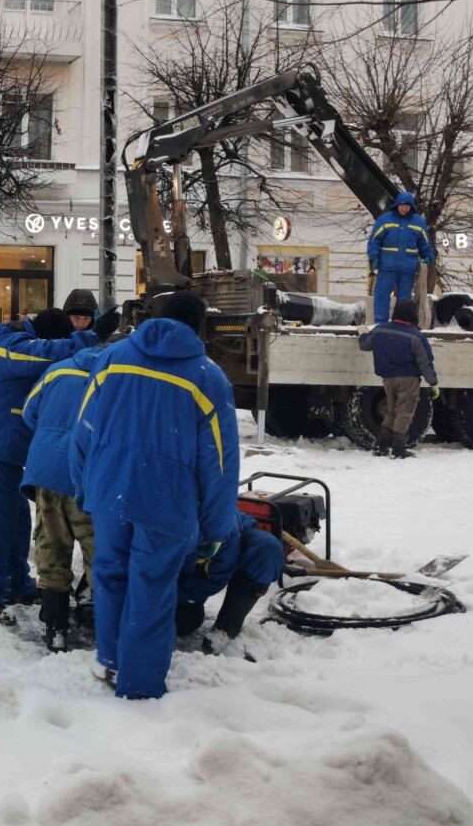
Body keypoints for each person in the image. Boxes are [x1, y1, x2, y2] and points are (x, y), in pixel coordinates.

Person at [71, 291, 239, 700]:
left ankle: (110, 661)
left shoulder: (113, 358)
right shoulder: (207, 377)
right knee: (151, 584)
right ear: (199, 327)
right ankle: (140, 687)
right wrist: (216, 527)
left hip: (110, 490)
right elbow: (219, 463)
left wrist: (83, 485)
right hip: (167, 500)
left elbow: (84, 429)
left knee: (110, 574)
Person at [0, 307, 94, 623]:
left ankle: (16, 583)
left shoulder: (22, 343)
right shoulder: (13, 346)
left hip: (8, 451)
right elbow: (45, 354)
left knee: (19, 523)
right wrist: (88, 338)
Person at [20, 338, 104, 651]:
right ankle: (101, 620)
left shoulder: (57, 370)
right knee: (99, 550)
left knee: (51, 546)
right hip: (87, 475)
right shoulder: (112, 378)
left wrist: (49, 437)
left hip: (45, 469)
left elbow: (29, 412)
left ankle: (54, 625)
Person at [175, 510, 284, 654]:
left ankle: (225, 629)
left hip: (223, 532)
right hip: (178, 534)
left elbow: (215, 577)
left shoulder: (220, 534)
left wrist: (184, 599)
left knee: (267, 550)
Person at [358, 297, 438, 459]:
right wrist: (433, 383)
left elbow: (365, 345)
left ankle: (381, 445)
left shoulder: (380, 330)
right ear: (412, 315)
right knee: (404, 413)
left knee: (392, 411)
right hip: (408, 379)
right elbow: (425, 362)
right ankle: (398, 448)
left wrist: (362, 333)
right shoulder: (416, 336)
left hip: (388, 379)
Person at [368, 191, 434, 322]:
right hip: (387, 267)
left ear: (411, 207)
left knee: (404, 300)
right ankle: (380, 324)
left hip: (407, 269)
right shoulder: (385, 220)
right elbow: (374, 240)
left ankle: (401, 323)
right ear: (397, 205)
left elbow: (425, 243)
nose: (404, 209)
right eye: (402, 206)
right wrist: (373, 256)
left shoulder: (418, 223)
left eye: (407, 206)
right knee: (382, 296)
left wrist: (428, 255)